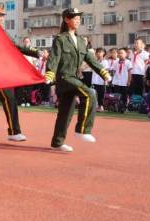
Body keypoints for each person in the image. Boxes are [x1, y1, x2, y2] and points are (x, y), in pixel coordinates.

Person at [44, 8, 111, 152]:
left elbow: (90, 59)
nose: (78, 20)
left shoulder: (81, 41)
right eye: (75, 17)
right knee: (90, 93)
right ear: (67, 20)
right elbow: (54, 58)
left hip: (74, 78)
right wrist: (50, 74)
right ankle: (82, 129)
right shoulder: (60, 39)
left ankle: (57, 142)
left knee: (65, 112)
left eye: (79, 18)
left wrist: (103, 72)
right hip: (64, 77)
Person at [0, 3, 40, 143]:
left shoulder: (2, 32)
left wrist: (36, 52)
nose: (1, 19)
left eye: (2, 17)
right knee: (9, 98)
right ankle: (14, 132)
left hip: (1, 72)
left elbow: (15, 47)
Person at [91, 48, 109, 112]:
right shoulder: (95, 61)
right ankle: (96, 106)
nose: (98, 53)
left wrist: (105, 80)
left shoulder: (105, 61)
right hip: (94, 80)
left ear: (103, 53)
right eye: (97, 52)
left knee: (101, 94)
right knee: (95, 94)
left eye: (100, 52)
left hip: (101, 81)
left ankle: (101, 107)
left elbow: (106, 71)